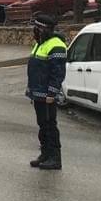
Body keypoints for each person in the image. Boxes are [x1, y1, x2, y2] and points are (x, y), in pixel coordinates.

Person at [26, 13, 67, 170]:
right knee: (42, 124)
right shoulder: (41, 43)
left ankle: (55, 158)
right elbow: (35, 69)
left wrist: (52, 93)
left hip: (47, 95)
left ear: (43, 29)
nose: (33, 31)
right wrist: (31, 91)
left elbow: (57, 73)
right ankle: (45, 154)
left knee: (50, 125)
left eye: (36, 28)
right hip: (38, 94)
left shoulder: (56, 45)